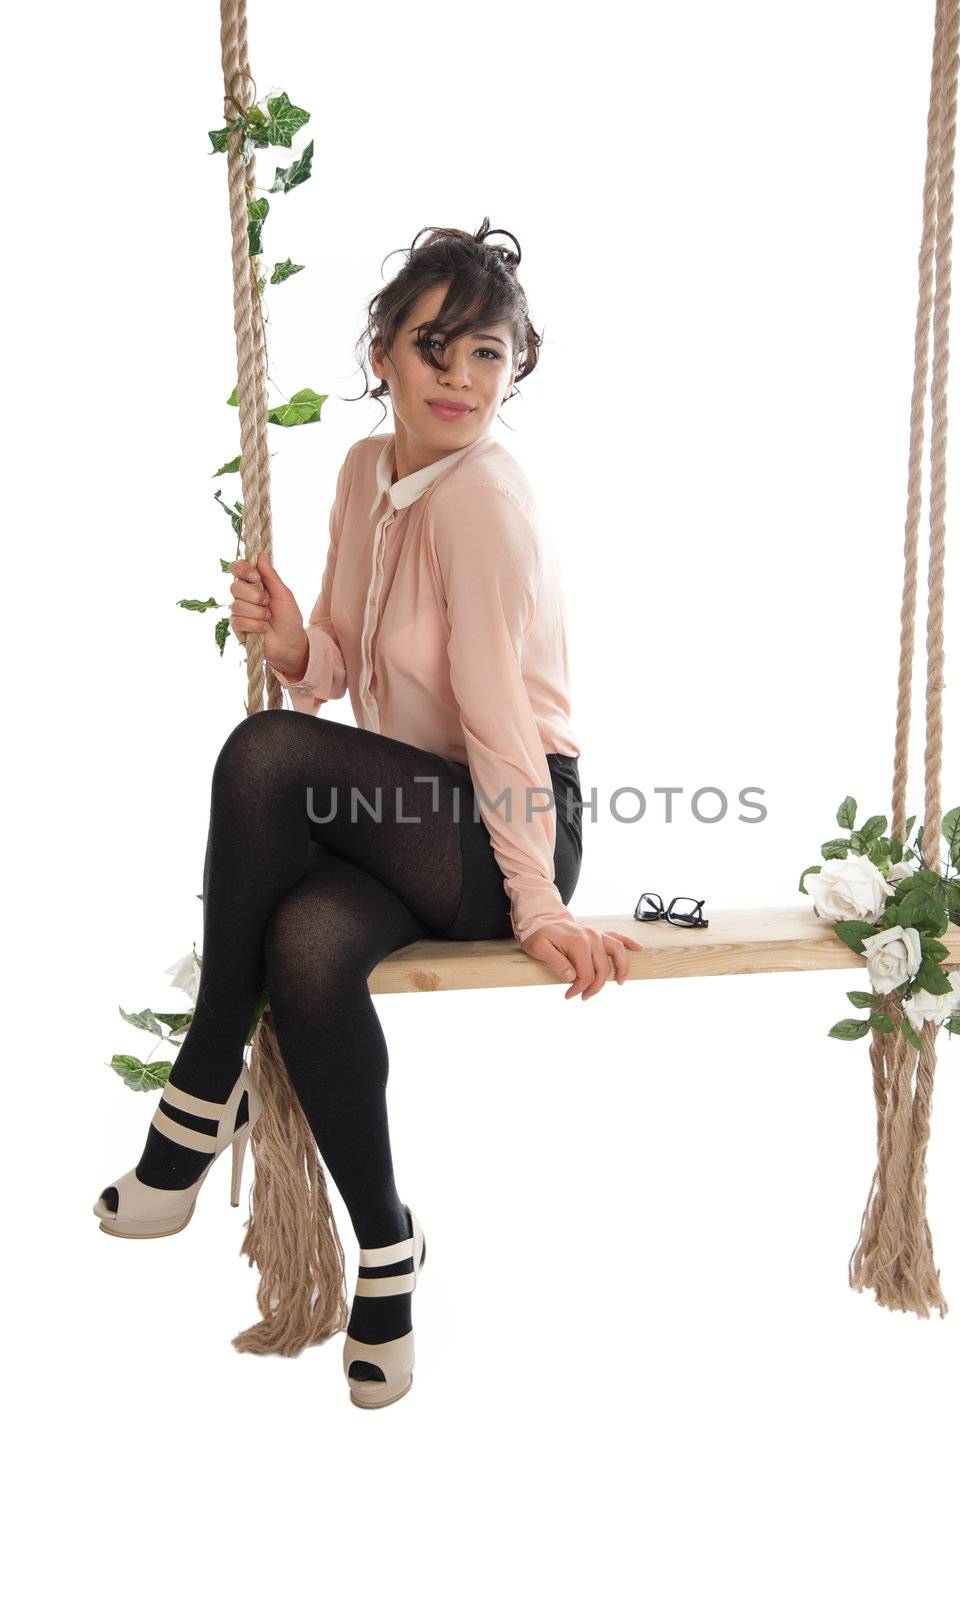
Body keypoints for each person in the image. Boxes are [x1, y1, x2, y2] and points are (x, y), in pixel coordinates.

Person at [93, 218, 642, 1408]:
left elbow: (498, 712)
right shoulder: (362, 471)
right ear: (383, 352)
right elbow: (334, 667)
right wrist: (290, 634)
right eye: (435, 346)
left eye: (488, 355)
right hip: (396, 809)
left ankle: (203, 1077)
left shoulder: (486, 502)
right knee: (305, 943)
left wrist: (539, 901)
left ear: (515, 370)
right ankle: (387, 1246)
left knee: (265, 754)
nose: (460, 377)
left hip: (508, 828)